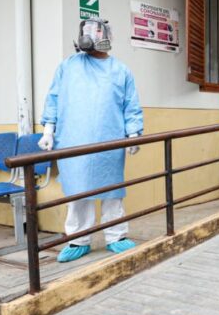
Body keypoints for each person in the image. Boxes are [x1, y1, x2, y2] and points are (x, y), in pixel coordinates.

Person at [40, 17, 144, 263]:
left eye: (95, 32)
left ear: (106, 36)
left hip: (109, 139)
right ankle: (78, 239)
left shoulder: (121, 71)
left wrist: (133, 134)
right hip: (73, 139)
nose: (90, 36)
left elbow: (130, 105)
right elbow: (53, 98)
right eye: (86, 31)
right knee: (78, 191)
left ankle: (116, 236)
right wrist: (48, 129)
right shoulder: (68, 67)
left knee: (111, 191)